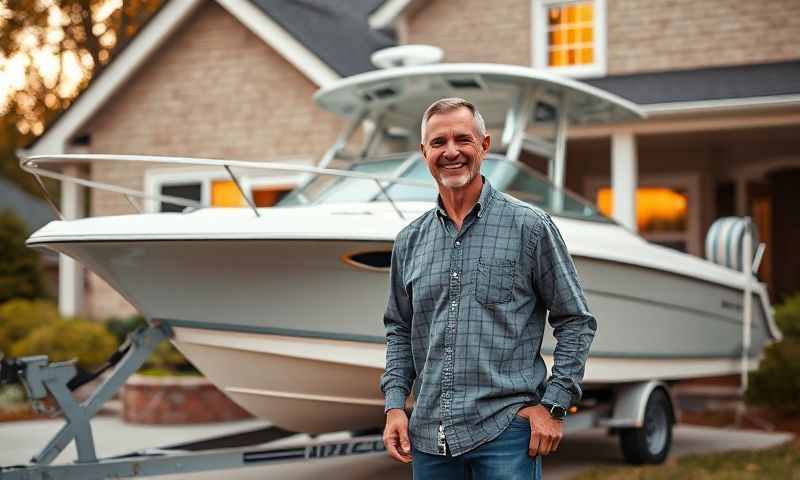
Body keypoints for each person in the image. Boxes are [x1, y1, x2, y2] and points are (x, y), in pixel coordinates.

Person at [380, 97, 597, 479]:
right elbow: (399, 330)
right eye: (438, 142)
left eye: (462, 139)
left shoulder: (530, 227)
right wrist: (396, 406)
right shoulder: (409, 241)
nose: (451, 152)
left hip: (505, 434)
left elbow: (575, 320)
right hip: (429, 438)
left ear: (484, 145)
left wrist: (555, 406)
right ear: (423, 153)